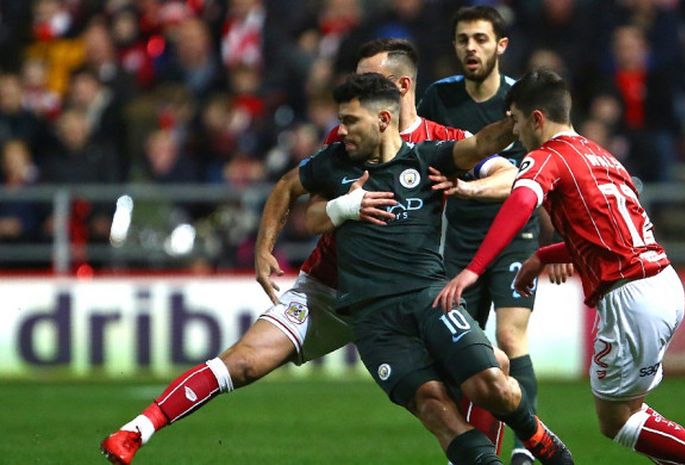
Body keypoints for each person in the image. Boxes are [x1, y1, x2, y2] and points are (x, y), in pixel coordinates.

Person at [99, 39, 514, 465]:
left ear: (402, 87)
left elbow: (507, 172)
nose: (359, 86)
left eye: (371, 79)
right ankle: (137, 430)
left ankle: (517, 446)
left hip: (408, 296)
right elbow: (305, 202)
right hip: (330, 290)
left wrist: (469, 188)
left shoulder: (442, 142)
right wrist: (270, 247)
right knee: (244, 361)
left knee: (476, 380)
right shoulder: (346, 137)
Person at [292, 72, 573, 465]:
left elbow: (482, 145)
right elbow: (290, 194)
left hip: (430, 300)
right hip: (373, 320)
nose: (341, 130)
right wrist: (268, 246)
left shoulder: (426, 156)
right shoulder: (333, 163)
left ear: (383, 120)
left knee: (492, 384)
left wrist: (518, 117)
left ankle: (536, 435)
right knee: (432, 403)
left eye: (351, 120)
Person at [435, 68, 685, 465]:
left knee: (618, 421)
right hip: (662, 281)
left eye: (518, 123)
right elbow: (607, 234)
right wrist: (545, 255)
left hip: (630, 297)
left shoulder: (547, 157)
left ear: (537, 119)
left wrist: (474, 268)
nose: (517, 135)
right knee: (635, 413)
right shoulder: (599, 154)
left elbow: (521, 202)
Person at [417, 7, 542, 464]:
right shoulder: (439, 97)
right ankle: (473, 453)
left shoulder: (524, 99)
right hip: (460, 241)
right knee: (459, 352)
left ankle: (530, 447)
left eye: (481, 39)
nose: (472, 47)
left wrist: (558, 237)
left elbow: (541, 172)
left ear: (501, 46)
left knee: (511, 339)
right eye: (464, 39)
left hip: (515, 238)